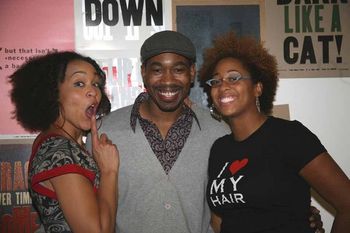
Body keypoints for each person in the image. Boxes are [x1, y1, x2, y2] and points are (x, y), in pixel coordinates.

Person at [89, 30, 324, 233]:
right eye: (157, 70)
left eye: (179, 69)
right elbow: (87, 213)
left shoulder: (220, 134)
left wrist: (298, 214)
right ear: (143, 73)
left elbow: (247, 200)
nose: (168, 80)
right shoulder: (104, 133)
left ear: (192, 73)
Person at [199, 31, 350, 233]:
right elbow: (220, 219)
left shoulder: (289, 136)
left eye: (233, 78)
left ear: (258, 88)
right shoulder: (219, 149)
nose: (223, 86)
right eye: (216, 81)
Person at [9, 51, 119, 233]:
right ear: (53, 93)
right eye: (79, 83)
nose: (94, 92)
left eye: (96, 84)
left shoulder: (60, 143)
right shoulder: (60, 150)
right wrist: (109, 171)